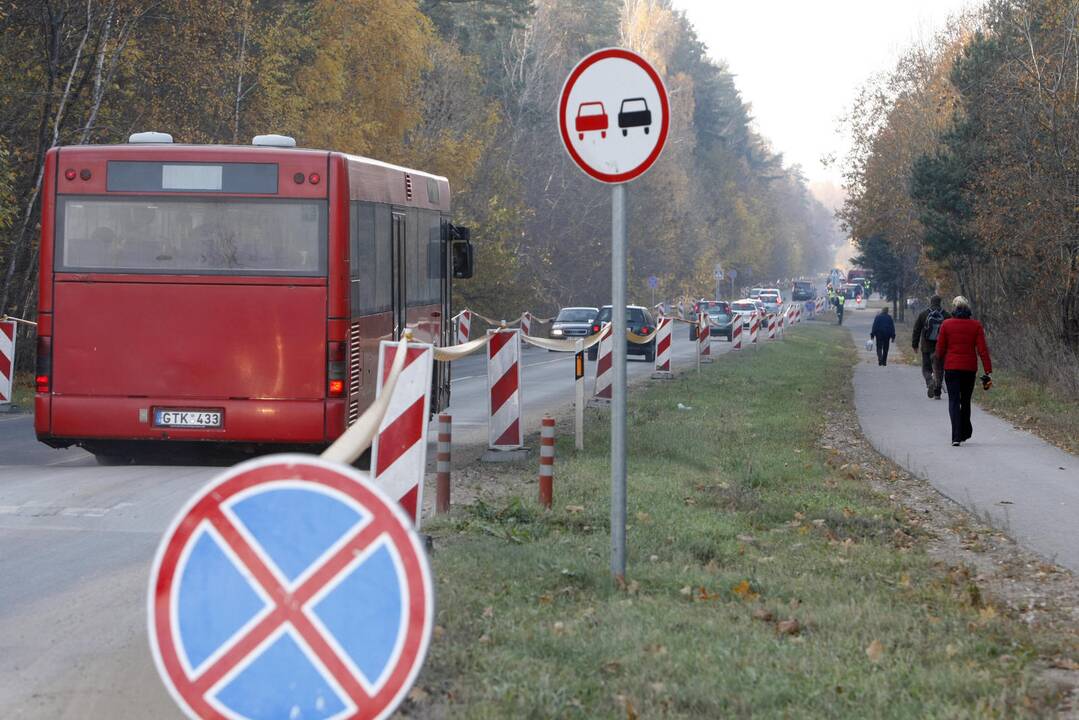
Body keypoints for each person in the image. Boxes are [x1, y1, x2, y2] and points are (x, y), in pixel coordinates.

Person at [935, 296, 991, 446]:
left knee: (953, 401)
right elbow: (982, 350)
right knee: (965, 401)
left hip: (951, 368)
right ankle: (965, 431)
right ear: (968, 309)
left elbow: (939, 350)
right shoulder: (976, 325)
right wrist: (988, 370)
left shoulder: (946, 325)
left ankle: (955, 436)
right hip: (969, 369)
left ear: (954, 309)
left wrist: (937, 368)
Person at [911, 295, 950, 399]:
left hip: (926, 347)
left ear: (931, 302)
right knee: (939, 369)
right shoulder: (946, 315)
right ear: (940, 302)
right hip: (940, 348)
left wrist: (914, 345)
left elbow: (916, 330)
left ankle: (929, 381)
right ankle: (937, 392)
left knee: (926, 368)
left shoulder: (923, 314)